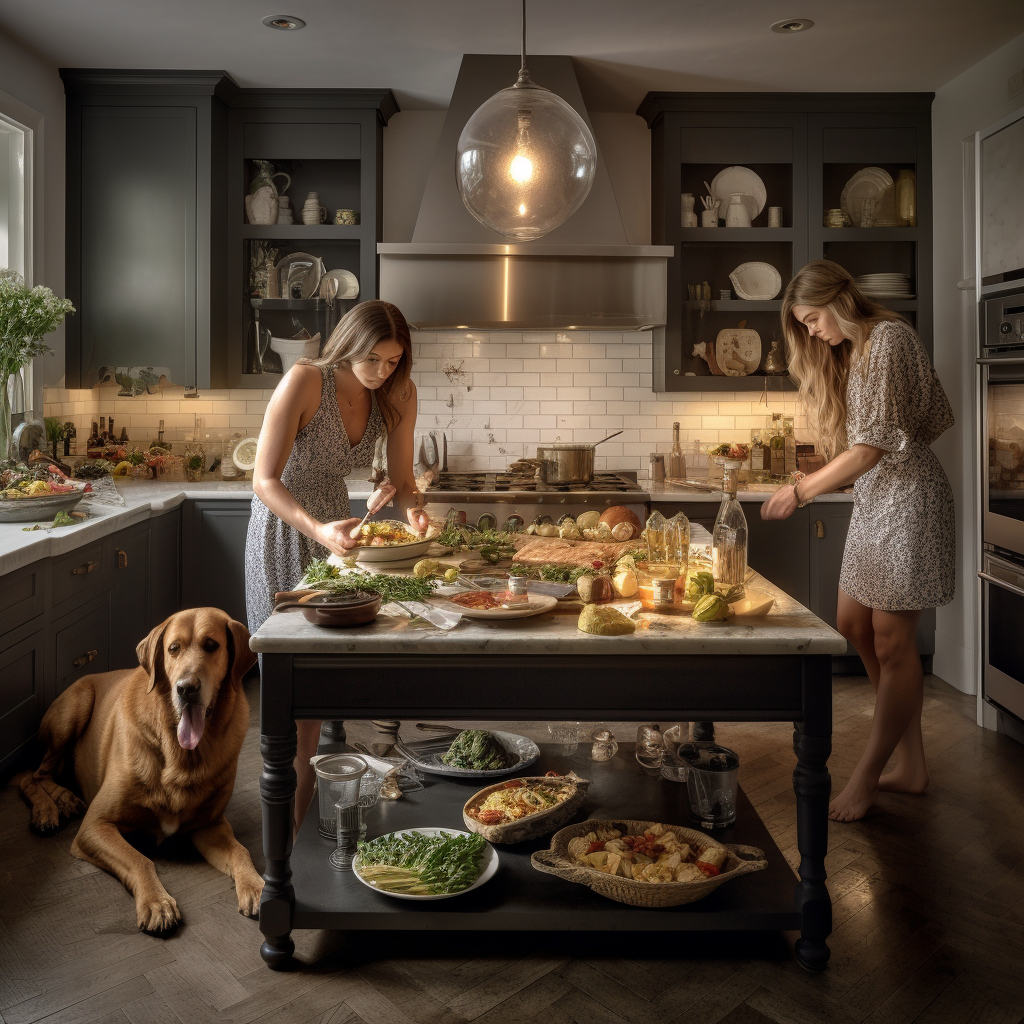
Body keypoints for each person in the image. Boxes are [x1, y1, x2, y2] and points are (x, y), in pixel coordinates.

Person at [761, 260, 954, 822]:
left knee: (894, 642)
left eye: (814, 319)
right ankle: (912, 765)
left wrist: (800, 492)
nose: (814, 332)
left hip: (910, 498)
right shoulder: (856, 351)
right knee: (850, 624)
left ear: (840, 299)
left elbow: (871, 448)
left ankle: (868, 775)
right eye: (804, 325)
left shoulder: (888, 339)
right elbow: (864, 445)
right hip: (877, 500)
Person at [245, 299, 426, 833]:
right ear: (347, 344)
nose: (382, 371)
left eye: (393, 361)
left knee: (325, 685)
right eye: (372, 359)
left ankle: (323, 822)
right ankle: (285, 850)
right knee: (293, 701)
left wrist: (414, 510)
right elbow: (264, 480)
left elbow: (403, 479)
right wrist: (317, 528)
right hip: (285, 528)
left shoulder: (398, 392)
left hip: (338, 534)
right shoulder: (305, 380)